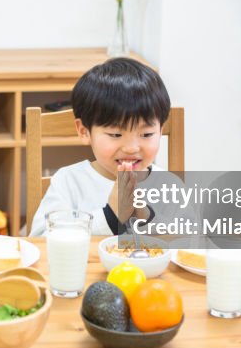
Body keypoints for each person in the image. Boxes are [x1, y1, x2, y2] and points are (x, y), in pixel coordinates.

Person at [28, 57, 170, 236]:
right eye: (116, 135)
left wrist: (147, 217)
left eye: (147, 134)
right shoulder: (69, 182)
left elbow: (191, 244)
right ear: (84, 131)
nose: (132, 148)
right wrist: (110, 216)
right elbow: (41, 240)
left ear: (160, 131)